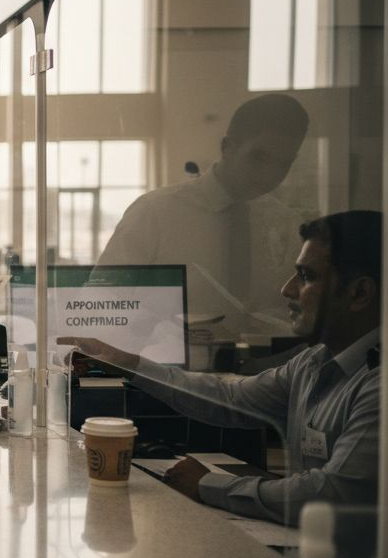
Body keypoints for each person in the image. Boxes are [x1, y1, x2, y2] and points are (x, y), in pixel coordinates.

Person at [65, 211, 380, 525]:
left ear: (359, 293)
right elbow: (230, 398)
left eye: (307, 276)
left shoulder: (378, 383)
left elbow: (331, 495)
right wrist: (126, 363)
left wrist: (208, 485)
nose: (288, 289)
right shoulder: (314, 362)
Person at [97, 94, 310, 335]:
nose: (270, 174)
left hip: (266, 368)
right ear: (227, 148)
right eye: (258, 157)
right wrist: (158, 331)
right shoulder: (155, 212)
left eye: (283, 163)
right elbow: (102, 300)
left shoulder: (287, 224)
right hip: (166, 364)